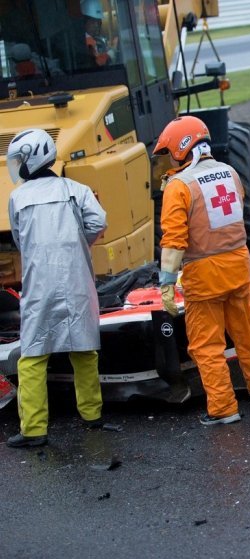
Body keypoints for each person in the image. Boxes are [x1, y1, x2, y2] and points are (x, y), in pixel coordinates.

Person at [154, 116, 250, 426]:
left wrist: (167, 283)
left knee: (207, 345)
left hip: (204, 274)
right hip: (238, 266)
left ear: (182, 148)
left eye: (171, 152)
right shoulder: (231, 172)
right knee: (249, 333)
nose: (170, 158)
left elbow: (173, 240)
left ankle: (224, 409)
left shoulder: (179, 186)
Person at [5, 128, 107, 448]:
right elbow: (98, 221)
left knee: (33, 356)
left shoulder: (17, 197)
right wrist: (79, 245)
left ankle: (34, 430)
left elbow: (19, 239)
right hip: (76, 279)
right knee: (84, 350)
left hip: (39, 284)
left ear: (32, 159)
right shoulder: (76, 189)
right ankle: (92, 416)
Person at [82, 0, 117, 67]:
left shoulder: (92, 39)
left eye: (98, 22)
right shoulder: (86, 41)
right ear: (84, 21)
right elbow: (97, 63)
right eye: (93, 22)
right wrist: (110, 54)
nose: (97, 26)